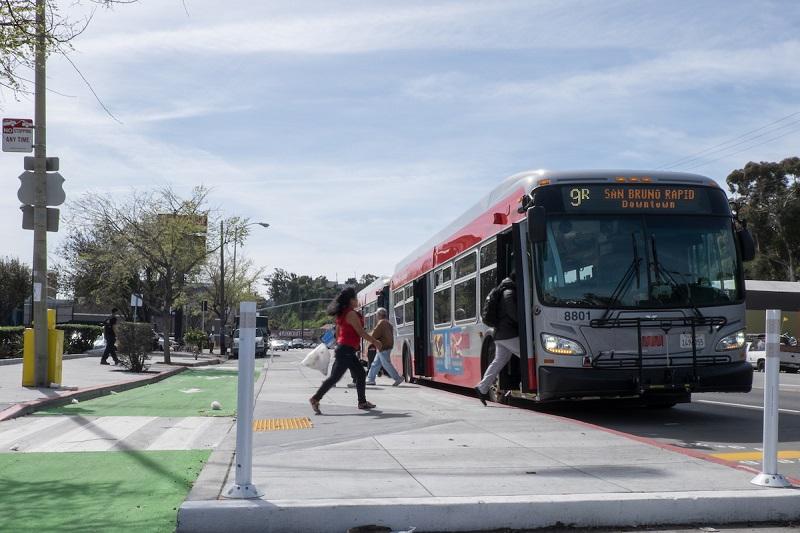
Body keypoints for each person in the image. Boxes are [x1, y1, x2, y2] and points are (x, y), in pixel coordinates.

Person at [310, 288, 381, 414]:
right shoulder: (351, 314)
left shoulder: (342, 314)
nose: (357, 301)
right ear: (351, 300)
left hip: (345, 349)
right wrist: (375, 341)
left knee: (360, 374)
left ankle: (362, 402)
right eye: (355, 299)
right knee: (335, 378)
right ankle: (316, 398)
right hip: (346, 350)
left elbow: (338, 333)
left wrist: (341, 345)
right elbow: (361, 332)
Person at [475, 273, 518, 406]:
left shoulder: (503, 290)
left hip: (500, 334)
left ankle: (482, 388)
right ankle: (539, 385)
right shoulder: (509, 292)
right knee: (530, 355)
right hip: (508, 334)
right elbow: (513, 314)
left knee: (499, 361)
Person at [366, 308, 404, 387]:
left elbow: (374, 335)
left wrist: (367, 335)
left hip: (383, 346)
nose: (376, 316)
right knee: (375, 364)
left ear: (379, 315)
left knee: (386, 364)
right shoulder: (388, 323)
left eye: (376, 314)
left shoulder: (381, 323)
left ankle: (397, 378)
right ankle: (370, 379)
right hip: (387, 346)